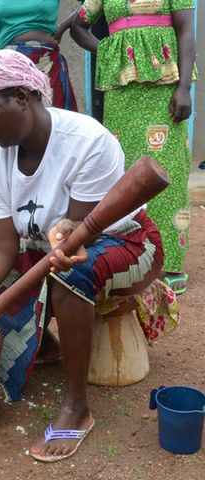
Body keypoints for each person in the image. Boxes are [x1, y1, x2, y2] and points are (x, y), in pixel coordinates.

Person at [0, 50, 178, 462]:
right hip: (46, 248)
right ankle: (48, 346)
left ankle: (77, 407)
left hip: (127, 244)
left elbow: (76, 239)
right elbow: (1, 246)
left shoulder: (87, 141)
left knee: (71, 275)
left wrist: (61, 240)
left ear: (21, 96)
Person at [71, 0, 197, 294]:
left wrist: (184, 88)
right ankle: (129, 255)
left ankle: (171, 263)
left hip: (165, 87)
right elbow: (79, 25)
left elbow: (187, 30)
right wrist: (110, 51)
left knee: (169, 170)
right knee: (122, 167)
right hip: (122, 90)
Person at [0, 0, 79, 111]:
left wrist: (63, 27)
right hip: (6, 68)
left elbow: (92, 4)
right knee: (11, 123)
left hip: (47, 66)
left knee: (55, 121)